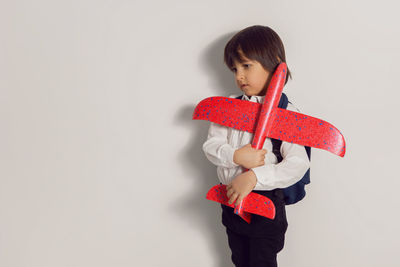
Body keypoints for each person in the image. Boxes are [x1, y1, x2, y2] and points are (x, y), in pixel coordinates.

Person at [202, 25, 310, 267]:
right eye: (234, 69)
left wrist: (254, 178)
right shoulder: (228, 107)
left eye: (246, 66)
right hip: (231, 200)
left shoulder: (286, 113)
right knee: (239, 259)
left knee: (262, 262)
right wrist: (236, 156)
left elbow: (297, 164)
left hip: (266, 202)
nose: (239, 76)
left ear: (274, 63)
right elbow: (211, 146)